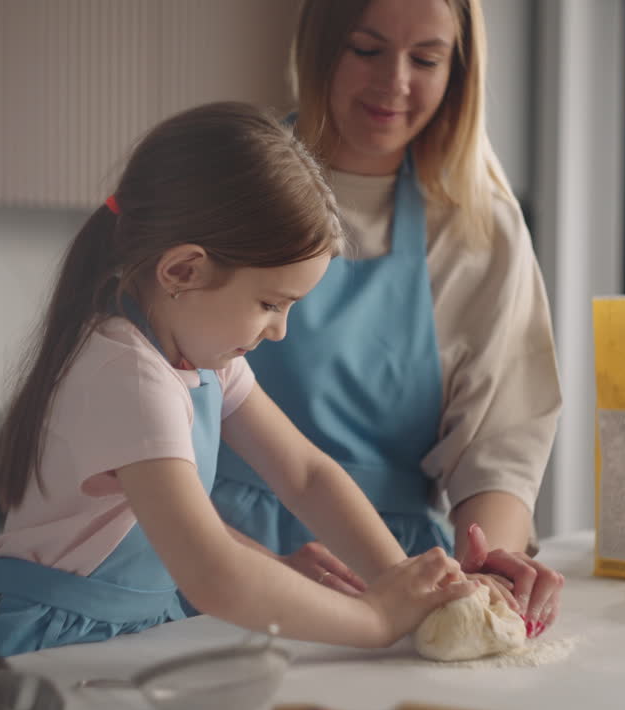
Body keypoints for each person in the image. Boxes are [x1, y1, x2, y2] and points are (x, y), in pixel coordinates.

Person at [0, 102, 499, 669]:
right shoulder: (129, 375)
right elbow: (211, 572)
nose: (280, 330)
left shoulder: (201, 359)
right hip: (51, 651)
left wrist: (397, 581)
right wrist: (373, 619)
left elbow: (306, 474)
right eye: (270, 303)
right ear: (183, 271)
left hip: (129, 637)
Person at [211, 0, 565, 638]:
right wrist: (252, 561)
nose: (395, 82)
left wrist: (487, 563)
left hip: (395, 570)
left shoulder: (480, 231)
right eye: (366, 50)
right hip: (221, 550)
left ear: (459, 69)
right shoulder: (233, 187)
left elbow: (498, 444)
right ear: (318, 49)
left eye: (426, 58)